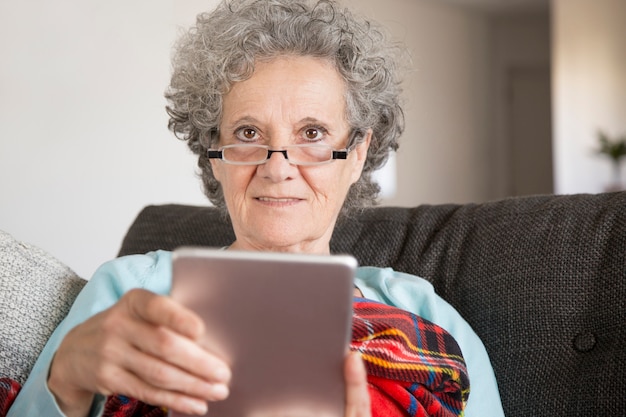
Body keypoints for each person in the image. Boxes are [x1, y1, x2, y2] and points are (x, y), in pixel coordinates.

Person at [7, 0, 504, 416]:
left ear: (355, 156)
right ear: (213, 156)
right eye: (248, 134)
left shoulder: (428, 316)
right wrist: (66, 378)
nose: (277, 167)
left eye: (312, 134)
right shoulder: (128, 287)